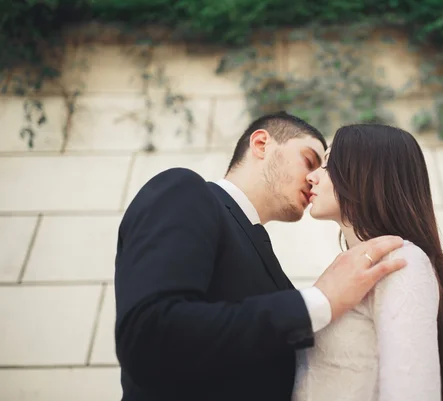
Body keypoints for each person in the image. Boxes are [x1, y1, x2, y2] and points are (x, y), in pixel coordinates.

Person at [113, 112, 407, 401]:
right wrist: (320, 300)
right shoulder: (184, 190)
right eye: (309, 160)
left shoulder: (262, 252)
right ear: (261, 144)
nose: (315, 177)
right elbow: (150, 336)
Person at [293, 123, 443, 401]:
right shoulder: (354, 267)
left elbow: (411, 391)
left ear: (368, 172)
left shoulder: (400, 260)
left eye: (328, 165)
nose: (312, 177)